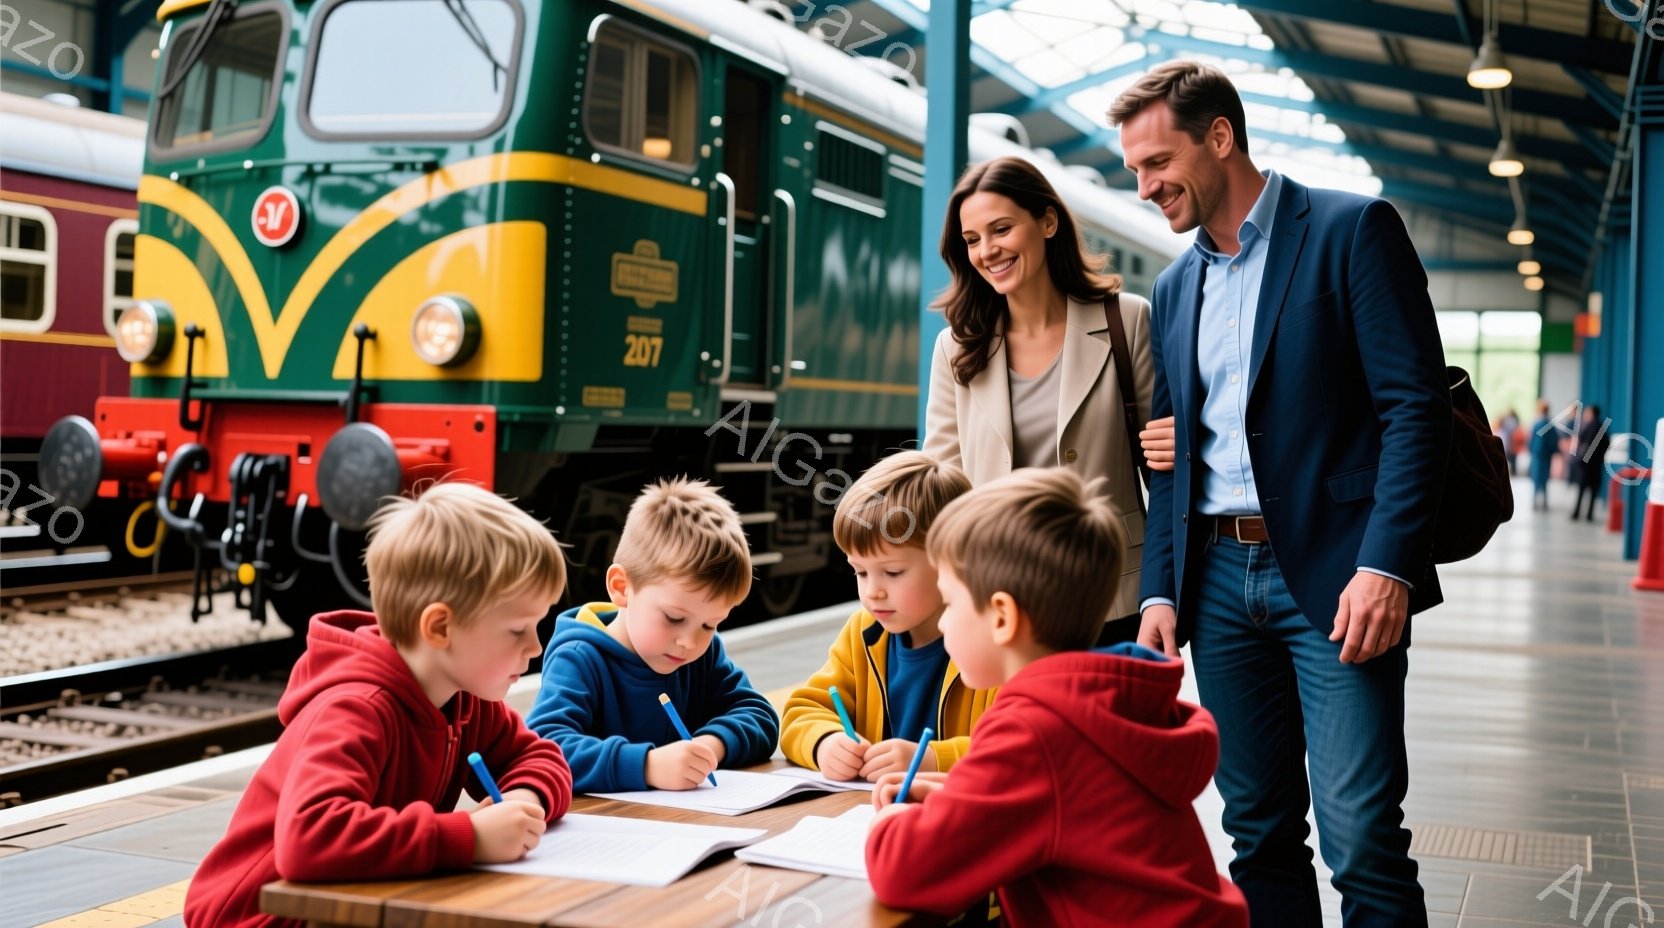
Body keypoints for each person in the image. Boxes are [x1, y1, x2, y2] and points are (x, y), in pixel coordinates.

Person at [1112, 60, 1451, 927]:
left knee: (1362, 837)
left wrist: (1387, 566)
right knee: (1257, 832)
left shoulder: (1351, 230)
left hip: (1339, 579)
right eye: (1134, 171)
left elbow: (1415, 412)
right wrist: (1160, 590)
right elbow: (1173, 459)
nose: (1145, 187)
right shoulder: (1173, 287)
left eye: (1157, 163)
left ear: (1220, 136)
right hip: (1217, 586)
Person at [864, 467, 1247, 928]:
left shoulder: (1031, 731)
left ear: (1001, 617)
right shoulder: (1094, 706)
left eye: (950, 603)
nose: (942, 623)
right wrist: (956, 797)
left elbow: (905, 872)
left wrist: (887, 824)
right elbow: (1061, 802)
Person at [184, 482, 573, 928]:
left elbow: (539, 757)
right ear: (440, 628)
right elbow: (309, 838)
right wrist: (470, 836)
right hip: (262, 918)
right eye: (518, 629)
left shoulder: (463, 695)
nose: (535, 647)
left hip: (352, 904)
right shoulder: (356, 709)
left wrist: (524, 802)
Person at [923, 155, 1169, 645]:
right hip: (1002, 605)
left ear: (1048, 222)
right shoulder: (956, 347)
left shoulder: (1126, 321)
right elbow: (943, 488)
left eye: (1001, 229)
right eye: (972, 240)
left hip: (1115, 596)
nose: (987, 250)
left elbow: (1165, 476)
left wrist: (1162, 593)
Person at [525, 477, 778, 793]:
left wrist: (710, 746)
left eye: (709, 625)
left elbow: (760, 715)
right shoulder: (580, 658)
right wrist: (646, 766)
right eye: (674, 618)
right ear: (621, 588)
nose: (690, 642)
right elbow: (546, 747)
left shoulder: (704, 654)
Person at [781, 451, 996, 781]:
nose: (872, 592)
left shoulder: (995, 643)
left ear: (952, 561)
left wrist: (931, 759)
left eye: (893, 572)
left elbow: (1026, 742)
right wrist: (826, 743)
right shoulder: (864, 630)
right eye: (860, 572)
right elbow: (801, 712)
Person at [1570, 405, 1611, 522]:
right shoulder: (1602, 427)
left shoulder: (1589, 426)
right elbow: (1606, 444)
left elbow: (1582, 440)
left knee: (1582, 489)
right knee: (1593, 489)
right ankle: (1589, 514)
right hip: (1596, 464)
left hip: (1586, 463)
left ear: (1592, 413)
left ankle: (1577, 512)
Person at [1529, 399, 1558, 511]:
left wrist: (1532, 450)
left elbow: (1531, 440)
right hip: (1546, 455)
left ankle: (1535, 501)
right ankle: (1544, 502)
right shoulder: (1550, 424)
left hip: (1537, 455)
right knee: (1544, 478)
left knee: (1536, 477)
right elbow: (1554, 440)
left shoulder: (1537, 424)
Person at [1500, 408, 1521, 475]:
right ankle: (1513, 471)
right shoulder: (1514, 420)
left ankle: (1508, 472)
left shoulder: (1507, 421)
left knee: (1508, 458)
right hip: (1512, 442)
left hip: (1510, 442)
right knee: (1512, 458)